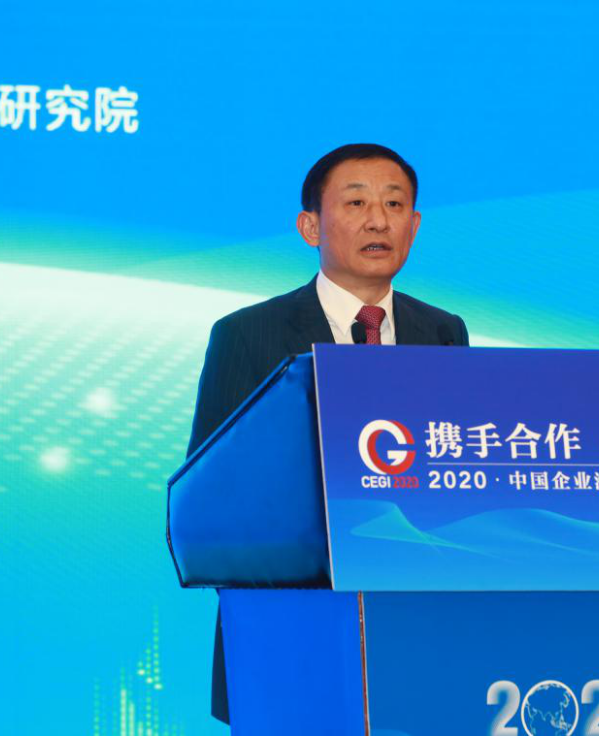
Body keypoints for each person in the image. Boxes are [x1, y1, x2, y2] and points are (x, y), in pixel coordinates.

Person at [185, 143, 469, 724]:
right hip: (290, 634)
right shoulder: (248, 334)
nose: (378, 220)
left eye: (394, 204)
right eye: (356, 202)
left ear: (414, 226)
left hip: (416, 633)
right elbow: (211, 499)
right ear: (310, 226)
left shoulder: (444, 332)